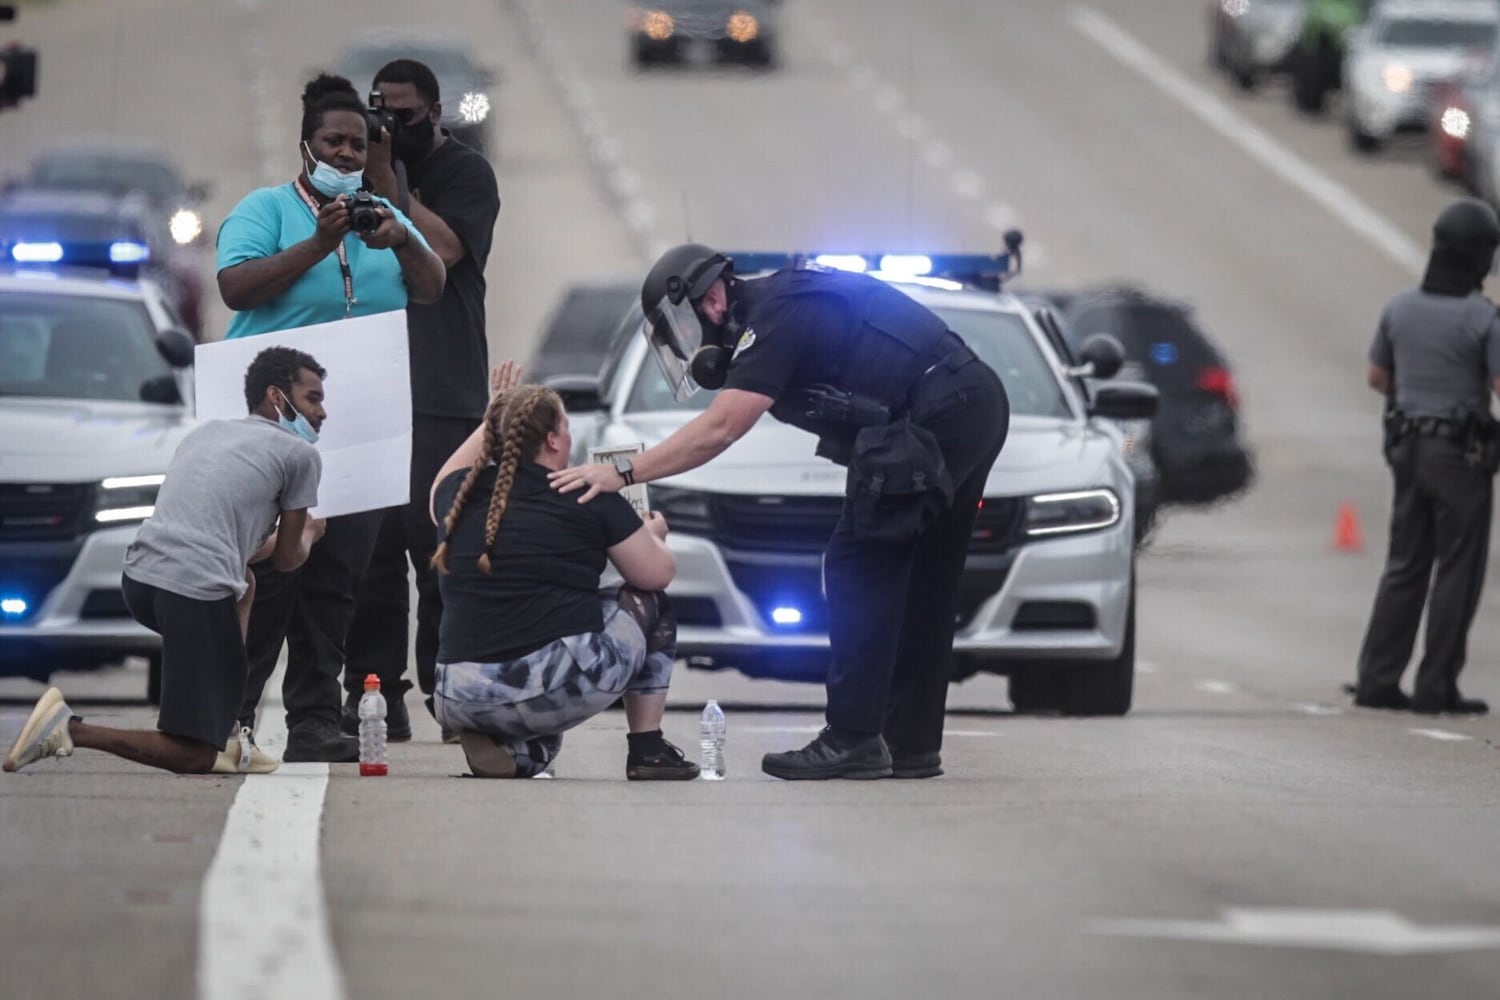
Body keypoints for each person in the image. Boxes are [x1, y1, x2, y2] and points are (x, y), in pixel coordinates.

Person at [550, 245, 1010, 780]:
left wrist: (625, 472)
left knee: (858, 563)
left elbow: (721, 428)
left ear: (714, 297)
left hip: (940, 412)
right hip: (970, 403)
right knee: (924, 577)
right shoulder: (777, 307)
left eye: (686, 325)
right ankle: (909, 743)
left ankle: (854, 736)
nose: (692, 342)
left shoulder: (774, 318)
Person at [216, 73, 445, 762]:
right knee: (272, 571)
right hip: (274, 427)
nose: (345, 154)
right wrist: (319, 244)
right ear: (305, 145)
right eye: (332, 142)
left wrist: (398, 239)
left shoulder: (379, 212)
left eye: (356, 143)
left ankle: (315, 717)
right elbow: (235, 285)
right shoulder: (266, 209)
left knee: (337, 575)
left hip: (356, 425)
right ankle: (230, 714)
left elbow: (433, 285)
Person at [3, 347, 326, 775]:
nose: (322, 413)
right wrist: (308, 536)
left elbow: (233, 546)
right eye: (313, 398)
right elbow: (287, 561)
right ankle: (72, 729)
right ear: (276, 397)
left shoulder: (205, 434)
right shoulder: (300, 456)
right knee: (192, 754)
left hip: (139, 581)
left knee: (244, 581)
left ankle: (229, 733)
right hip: (190, 591)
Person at [430, 369, 698, 780]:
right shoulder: (589, 493)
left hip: (455, 693)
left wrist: (496, 413)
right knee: (652, 603)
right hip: (542, 688)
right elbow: (658, 574)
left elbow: (445, 475)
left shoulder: (456, 494)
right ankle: (648, 749)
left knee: (545, 742)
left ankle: (506, 745)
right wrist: (651, 534)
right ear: (554, 440)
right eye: (566, 427)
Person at [342, 58, 502, 744]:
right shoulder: (351, 173)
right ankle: (374, 693)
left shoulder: (466, 173)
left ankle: (448, 688)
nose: (389, 128)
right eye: (380, 113)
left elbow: (445, 249)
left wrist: (390, 186)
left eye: (402, 115)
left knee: (437, 550)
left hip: (442, 385)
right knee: (368, 556)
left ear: (435, 113)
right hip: (367, 384)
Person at [1353, 197, 1500, 716]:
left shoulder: (1400, 307)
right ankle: (1436, 687)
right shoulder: (1483, 316)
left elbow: (1377, 378)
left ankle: (1376, 679)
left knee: (1405, 565)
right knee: (1457, 568)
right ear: (1482, 258)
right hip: (1459, 457)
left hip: (1406, 448)